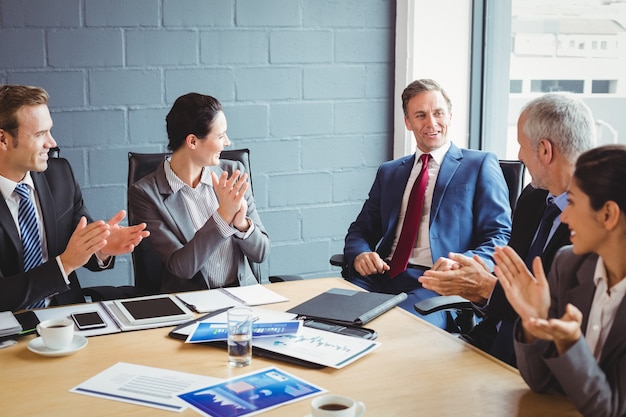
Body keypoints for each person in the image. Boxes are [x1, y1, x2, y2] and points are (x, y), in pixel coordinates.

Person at [418, 92, 595, 364]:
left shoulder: (597, 222)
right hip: (487, 343)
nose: (519, 156)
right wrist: (477, 288)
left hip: (537, 362)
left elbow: (559, 313)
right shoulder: (533, 198)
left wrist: (488, 288)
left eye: (522, 145)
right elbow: (508, 280)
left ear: (545, 150)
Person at [342, 79, 512, 329]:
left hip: (436, 283)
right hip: (379, 278)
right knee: (327, 319)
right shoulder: (390, 172)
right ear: (408, 122)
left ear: (450, 116)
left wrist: (463, 263)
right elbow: (360, 230)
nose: (431, 123)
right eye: (421, 115)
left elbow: (500, 236)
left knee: (391, 330)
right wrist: (360, 254)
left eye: (438, 113)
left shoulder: (479, 164)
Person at [494, 144, 626, 417]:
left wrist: (569, 344)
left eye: (573, 202)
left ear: (608, 214)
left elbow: (608, 411)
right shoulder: (568, 264)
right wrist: (533, 322)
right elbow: (538, 382)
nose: (564, 216)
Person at [0, 84, 149, 312]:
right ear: (3, 139)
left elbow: (78, 246)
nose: (51, 143)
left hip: (66, 318)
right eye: (40, 134)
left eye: (49, 131)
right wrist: (65, 264)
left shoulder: (59, 174)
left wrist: (101, 247)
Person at [128, 93, 270, 293]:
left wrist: (241, 224)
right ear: (192, 142)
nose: (227, 142)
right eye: (220, 136)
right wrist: (223, 217)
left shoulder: (233, 173)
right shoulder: (146, 194)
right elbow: (181, 268)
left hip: (243, 297)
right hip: (192, 305)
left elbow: (261, 252)